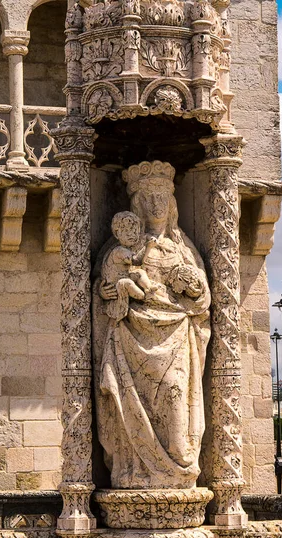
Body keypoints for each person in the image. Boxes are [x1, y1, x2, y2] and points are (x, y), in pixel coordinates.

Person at [93, 161, 211, 490]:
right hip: (131, 338)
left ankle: (177, 470)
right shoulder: (123, 249)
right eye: (149, 197)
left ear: (172, 202)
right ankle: (132, 470)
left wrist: (194, 287)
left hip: (175, 336)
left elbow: (203, 302)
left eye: (163, 196)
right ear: (138, 204)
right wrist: (106, 292)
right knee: (129, 404)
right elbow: (104, 286)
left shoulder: (182, 248)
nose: (157, 204)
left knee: (176, 400)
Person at [101, 211, 154, 322]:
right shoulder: (118, 251)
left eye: (135, 231)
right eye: (127, 230)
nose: (132, 234)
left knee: (140, 273)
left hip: (128, 279)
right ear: (117, 233)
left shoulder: (129, 248)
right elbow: (137, 261)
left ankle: (149, 289)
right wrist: (148, 247)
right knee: (127, 282)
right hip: (118, 287)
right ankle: (144, 297)